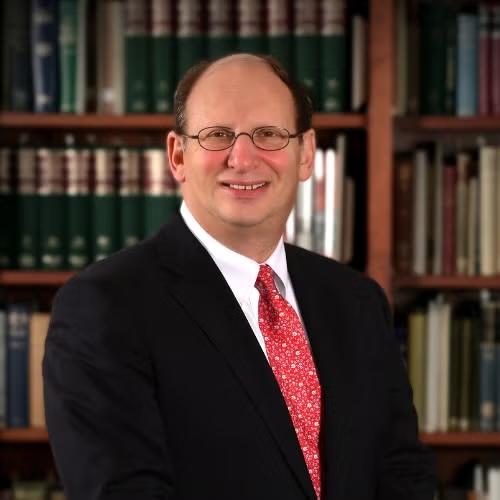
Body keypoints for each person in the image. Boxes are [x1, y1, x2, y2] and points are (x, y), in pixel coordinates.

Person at [43, 53, 435, 500]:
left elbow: (403, 471)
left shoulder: (357, 301)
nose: (243, 157)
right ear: (178, 156)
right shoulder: (104, 308)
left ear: (305, 154)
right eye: (217, 135)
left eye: (268, 134)